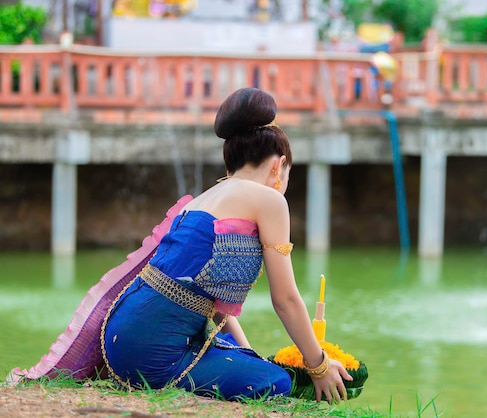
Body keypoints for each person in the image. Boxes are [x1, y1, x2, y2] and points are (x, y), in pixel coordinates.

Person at [100, 87, 352, 403]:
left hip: (119, 339)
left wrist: (247, 354)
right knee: (277, 381)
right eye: (286, 175)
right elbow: (285, 299)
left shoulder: (202, 200)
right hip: (152, 352)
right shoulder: (269, 200)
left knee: (248, 360)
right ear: (279, 165)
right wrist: (319, 365)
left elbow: (214, 307)